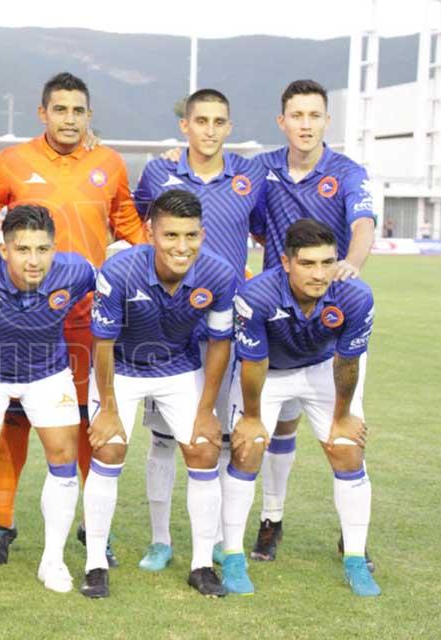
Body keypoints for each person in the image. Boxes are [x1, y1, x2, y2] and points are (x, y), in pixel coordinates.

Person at [0, 71, 145, 566]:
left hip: (85, 320)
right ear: (42, 113)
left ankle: (94, 529)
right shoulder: (13, 162)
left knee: (85, 421)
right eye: (60, 109)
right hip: (20, 318)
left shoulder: (109, 164)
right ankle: (1, 523)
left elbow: (130, 226)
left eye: (78, 110)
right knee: (15, 420)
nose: (69, 119)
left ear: (89, 116)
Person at [133, 88, 265, 571]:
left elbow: (267, 232)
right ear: (184, 126)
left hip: (225, 328)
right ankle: (160, 540)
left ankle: (217, 542)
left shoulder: (251, 176)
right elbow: (138, 226)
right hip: (170, 326)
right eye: (201, 120)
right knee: (163, 440)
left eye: (219, 121)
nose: (210, 130)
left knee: (221, 438)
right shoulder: (157, 173)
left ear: (229, 127)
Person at [83, 189, 239, 598]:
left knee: (203, 449)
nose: (182, 247)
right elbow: (102, 344)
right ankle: (95, 563)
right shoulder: (120, 271)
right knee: (109, 448)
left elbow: (219, 343)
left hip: (177, 367)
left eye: (191, 235)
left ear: (202, 234)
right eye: (171, 235)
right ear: (150, 232)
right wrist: (108, 410)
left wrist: (206, 410)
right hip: (122, 367)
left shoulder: (219, 274)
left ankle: (202, 565)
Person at [249, 79, 377, 564]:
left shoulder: (346, 172)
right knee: (277, 431)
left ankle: (354, 537)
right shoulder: (261, 168)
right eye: (297, 115)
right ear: (282, 122)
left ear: (327, 120)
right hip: (276, 321)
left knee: (345, 435)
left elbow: (363, 224)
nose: (306, 124)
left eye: (315, 115)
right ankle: (272, 520)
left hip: (330, 320)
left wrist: (352, 264)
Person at [221, 218, 380, 597]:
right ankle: (232, 558)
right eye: (307, 263)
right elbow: (253, 363)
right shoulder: (256, 295)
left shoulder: (355, 295)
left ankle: (355, 561)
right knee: (247, 450)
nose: (319, 274)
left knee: (348, 450)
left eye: (327, 262)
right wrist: (252, 418)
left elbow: (347, 362)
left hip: (322, 369)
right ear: (286, 262)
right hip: (269, 373)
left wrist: (342, 417)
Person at [0, 205, 96, 593]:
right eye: (23, 249)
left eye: (42, 249)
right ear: (3, 250)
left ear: (54, 249)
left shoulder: (76, 270)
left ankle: (53, 560)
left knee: (63, 460)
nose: (33, 260)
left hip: (47, 373)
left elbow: (114, 286)